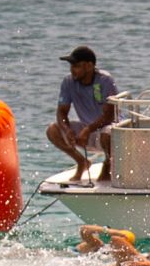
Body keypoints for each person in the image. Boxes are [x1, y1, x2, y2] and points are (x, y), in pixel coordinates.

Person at [48, 45, 119, 185]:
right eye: (71, 66)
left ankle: (108, 164)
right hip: (87, 131)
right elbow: (62, 111)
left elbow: (109, 116)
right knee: (53, 130)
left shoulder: (105, 80)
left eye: (76, 65)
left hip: (109, 131)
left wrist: (88, 130)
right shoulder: (68, 82)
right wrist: (67, 129)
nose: (72, 69)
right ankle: (81, 161)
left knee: (108, 132)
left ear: (89, 66)